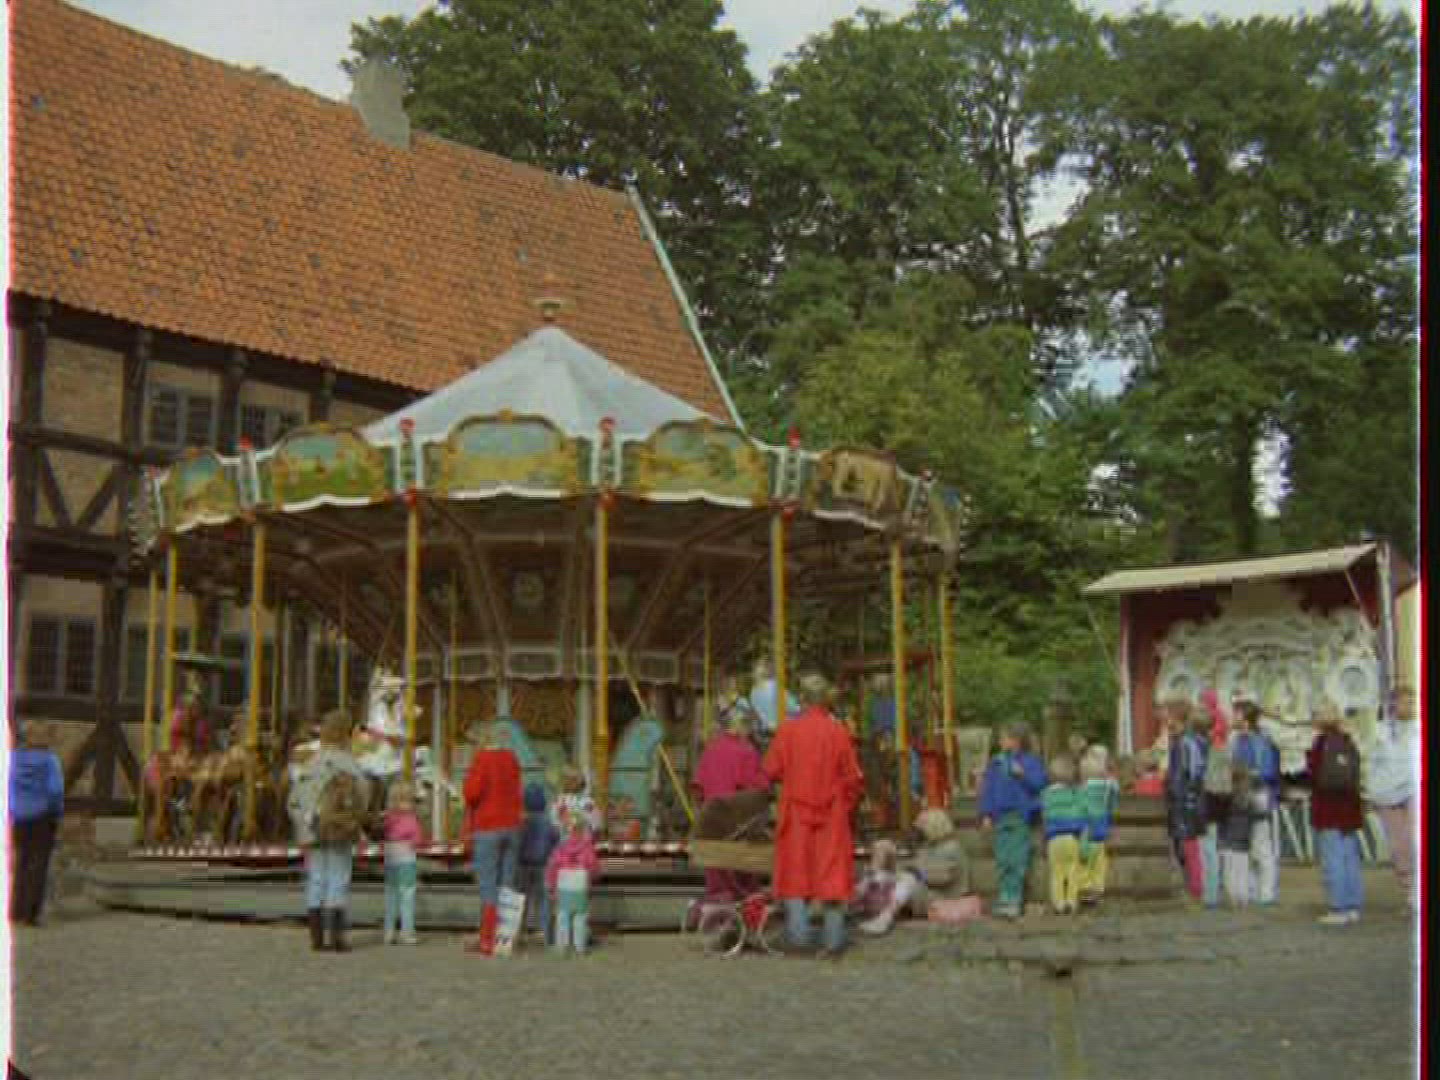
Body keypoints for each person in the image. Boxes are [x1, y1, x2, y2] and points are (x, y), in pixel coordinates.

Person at [763, 672, 865, 958]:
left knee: (795, 872)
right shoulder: (838, 732)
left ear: (802, 699)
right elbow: (853, 778)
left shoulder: (788, 731)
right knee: (832, 874)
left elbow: (771, 769)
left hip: (796, 811)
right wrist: (844, 805)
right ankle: (833, 940)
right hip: (831, 813)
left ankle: (799, 936)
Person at [287, 710, 369, 952]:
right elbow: (363, 794)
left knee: (316, 877)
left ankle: (316, 938)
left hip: (313, 829)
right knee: (338, 877)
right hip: (339, 828)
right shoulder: (348, 763)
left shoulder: (311, 763)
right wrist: (355, 820)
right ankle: (335, 938)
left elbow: (294, 800)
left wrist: (305, 823)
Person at [692, 703, 769, 904]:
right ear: (740, 726)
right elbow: (756, 786)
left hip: (711, 819)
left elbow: (698, 788)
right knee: (742, 874)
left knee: (717, 874)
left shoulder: (710, 751)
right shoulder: (746, 752)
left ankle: (717, 901)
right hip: (737, 819)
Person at [858, 808, 971, 936]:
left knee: (909, 878)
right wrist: (893, 864)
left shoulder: (951, 848)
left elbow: (943, 878)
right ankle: (857, 900)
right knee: (884, 860)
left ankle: (885, 918)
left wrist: (917, 873)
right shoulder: (929, 846)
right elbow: (917, 867)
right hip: (927, 891)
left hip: (944, 898)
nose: (917, 830)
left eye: (921, 827)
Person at [462, 722, 524, 953]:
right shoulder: (511, 758)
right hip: (512, 824)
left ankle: (487, 938)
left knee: (488, 883)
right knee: (507, 883)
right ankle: (505, 937)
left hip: (488, 825)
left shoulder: (482, 759)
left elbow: (472, 793)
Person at [978, 722, 1047, 920]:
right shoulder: (996, 763)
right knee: (1003, 859)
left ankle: (1014, 900)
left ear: (1017, 740)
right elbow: (988, 789)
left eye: (1005, 737)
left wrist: (1022, 775)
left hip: (1020, 816)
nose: (1001, 741)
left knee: (1017, 859)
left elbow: (1039, 785)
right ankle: (1004, 897)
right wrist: (986, 814)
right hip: (1000, 817)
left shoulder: (1031, 761)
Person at [1306, 701, 1365, 925]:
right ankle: (1353, 906)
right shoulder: (1348, 741)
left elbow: (1314, 775)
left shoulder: (1321, 743)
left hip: (1328, 808)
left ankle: (1338, 906)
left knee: (1333, 858)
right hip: (1349, 808)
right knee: (1350, 858)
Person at [1367, 683, 1417, 915]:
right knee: (1399, 847)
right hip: (1387, 792)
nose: (1410, 706)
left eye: (1412, 702)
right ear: (1393, 704)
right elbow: (1373, 762)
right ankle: (1410, 894)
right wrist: (1371, 791)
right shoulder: (1380, 731)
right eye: (1405, 701)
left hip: (1414, 790)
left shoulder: (1419, 728)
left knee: (1417, 840)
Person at [8, 722, 65, 926]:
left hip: (18, 817)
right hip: (42, 816)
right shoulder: (49, 760)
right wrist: (57, 811)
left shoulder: (12, 759)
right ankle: (31, 913)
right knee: (39, 864)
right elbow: (55, 790)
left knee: (20, 863)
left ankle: (15, 909)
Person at [1230, 699, 1281, 906]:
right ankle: (1250, 889)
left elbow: (1267, 772)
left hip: (1259, 794)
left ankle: (1267, 891)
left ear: (1245, 718)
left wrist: (1244, 773)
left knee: (1261, 844)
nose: (1233, 717)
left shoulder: (1261, 741)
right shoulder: (1238, 740)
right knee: (1246, 844)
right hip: (1242, 794)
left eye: (1236, 714)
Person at [1163, 701, 1208, 902]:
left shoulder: (1184, 743)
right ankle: (1194, 885)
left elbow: (1184, 775)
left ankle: (1195, 887)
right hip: (1189, 799)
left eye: (1168, 716)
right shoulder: (1190, 741)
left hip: (1185, 801)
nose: (1165, 720)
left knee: (1187, 846)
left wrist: (1174, 793)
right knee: (1188, 846)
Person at [546, 807, 600, 955]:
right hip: (580, 887)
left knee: (562, 915)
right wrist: (592, 879)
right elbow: (593, 867)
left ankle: (562, 945)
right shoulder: (587, 847)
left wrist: (551, 885)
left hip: (563, 886)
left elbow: (552, 866)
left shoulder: (560, 848)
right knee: (580, 916)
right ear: (582, 830)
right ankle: (580, 946)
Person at [1210, 760, 1264, 910]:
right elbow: (1258, 815)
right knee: (1242, 869)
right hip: (1244, 839)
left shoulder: (1225, 798)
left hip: (1227, 839)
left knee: (1230, 870)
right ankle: (1243, 898)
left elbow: (1218, 816)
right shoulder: (1249, 798)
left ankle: (1233, 898)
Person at [1040, 755, 1088, 916]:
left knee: (1056, 873)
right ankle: (1071, 902)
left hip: (1054, 839)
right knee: (1073, 871)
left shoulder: (1046, 794)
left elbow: (1044, 815)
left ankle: (1058, 903)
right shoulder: (1076, 794)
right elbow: (1083, 815)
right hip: (1072, 837)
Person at [382, 780, 426, 945]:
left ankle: (389, 932)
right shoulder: (412, 819)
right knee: (407, 896)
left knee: (391, 896)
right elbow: (418, 840)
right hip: (407, 859)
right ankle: (407, 932)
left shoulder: (387, 819)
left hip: (390, 858)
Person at [517, 781, 560, 941]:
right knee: (544, 900)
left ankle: (518, 929)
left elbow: (516, 842)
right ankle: (546, 931)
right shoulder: (548, 821)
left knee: (521, 899)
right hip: (544, 864)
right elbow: (555, 839)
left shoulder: (521, 821)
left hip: (523, 864)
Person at [1078, 744, 1119, 907]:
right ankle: (1097, 888)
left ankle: (1085, 886)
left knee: (1084, 859)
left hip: (1086, 827)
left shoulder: (1082, 789)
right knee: (1099, 861)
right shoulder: (1109, 786)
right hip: (1101, 827)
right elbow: (1113, 804)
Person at [747, 657, 799, 748]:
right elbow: (794, 708)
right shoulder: (759, 690)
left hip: (773, 733)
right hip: (774, 733)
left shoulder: (759, 690)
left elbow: (795, 708)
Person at [551, 764, 600, 835]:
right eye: (567, 779)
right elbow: (554, 818)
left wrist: (586, 821)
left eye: (574, 779)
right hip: (565, 836)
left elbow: (595, 821)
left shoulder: (587, 800)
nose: (570, 782)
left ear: (580, 782)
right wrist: (559, 824)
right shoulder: (560, 799)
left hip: (583, 836)